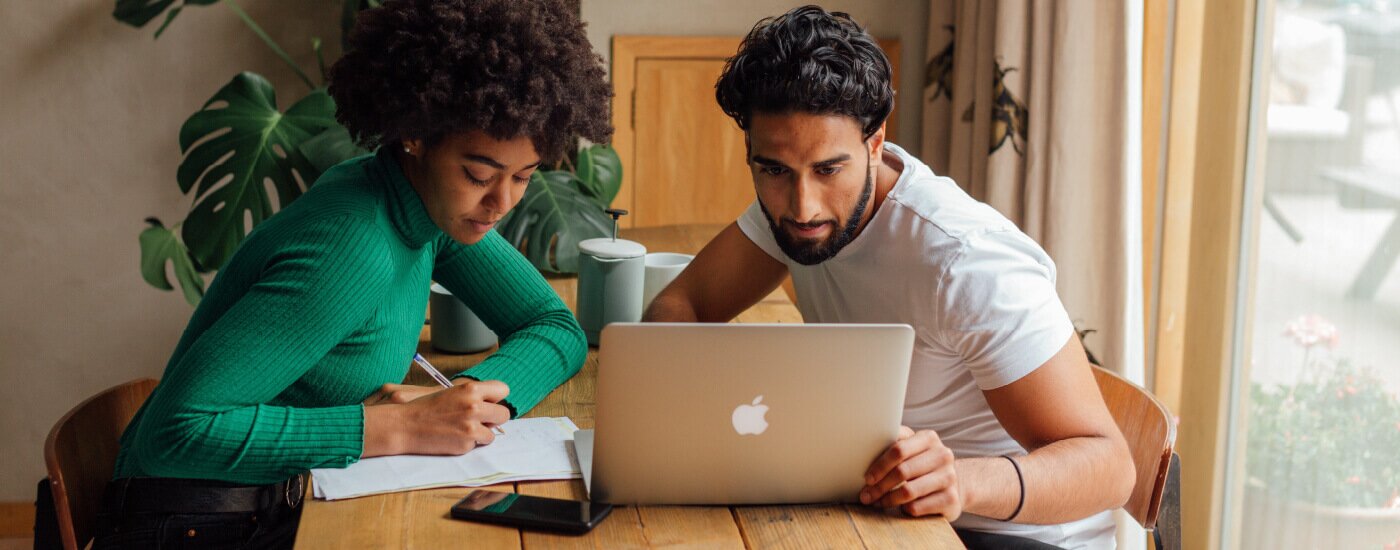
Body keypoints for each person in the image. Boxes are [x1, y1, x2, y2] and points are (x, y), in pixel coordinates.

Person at [94, 1, 611, 547]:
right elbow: (174, 434)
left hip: (278, 498)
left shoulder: (427, 211)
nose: (501, 201)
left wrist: (475, 397)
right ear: (416, 133)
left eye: (524, 177)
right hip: (195, 522)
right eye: (478, 173)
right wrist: (399, 428)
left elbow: (554, 326)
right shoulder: (353, 244)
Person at [644, 6, 1134, 549]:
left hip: (1013, 535)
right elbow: (679, 305)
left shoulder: (967, 261)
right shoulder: (789, 210)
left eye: (829, 169)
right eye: (774, 170)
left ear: (876, 143)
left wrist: (960, 481)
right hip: (885, 517)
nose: (802, 207)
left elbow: (1110, 465)